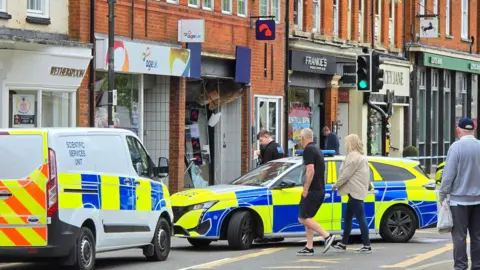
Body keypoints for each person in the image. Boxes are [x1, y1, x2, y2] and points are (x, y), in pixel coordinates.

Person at [440, 117, 480, 270]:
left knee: (459, 237)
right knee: (477, 236)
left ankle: (461, 267)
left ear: (459, 130)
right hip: (478, 200)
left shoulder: (456, 147)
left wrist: (442, 195)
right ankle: (477, 266)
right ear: (473, 129)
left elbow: (448, 175)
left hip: (459, 201)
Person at [297, 128, 336, 256]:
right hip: (320, 189)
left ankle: (327, 236)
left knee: (302, 218)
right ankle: (309, 246)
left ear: (303, 138)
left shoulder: (308, 150)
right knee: (308, 218)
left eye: (299, 138)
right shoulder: (317, 149)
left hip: (312, 190)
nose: (299, 141)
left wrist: (306, 189)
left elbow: (310, 170)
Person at [332, 134, 372, 253]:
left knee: (360, 217)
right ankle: (343, 243)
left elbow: (346, 175)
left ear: (350, 143)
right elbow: (365, 174)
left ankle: (366, 245)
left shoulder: (352, 157)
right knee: (348, 217)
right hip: (357, 191)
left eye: (346, 142)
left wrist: (336, 185)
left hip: (354, 191)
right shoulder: (361, 157)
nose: (345, 144)